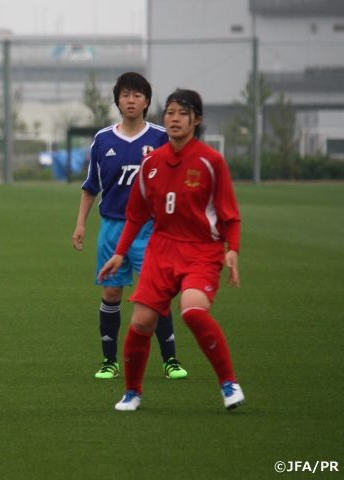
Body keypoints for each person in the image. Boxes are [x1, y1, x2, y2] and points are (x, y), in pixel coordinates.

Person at [98, 88, 245, 411]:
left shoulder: (211, 161)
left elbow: (230, 215)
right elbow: (136, 215)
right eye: (170, 113)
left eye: (182, 113)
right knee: (141, 322)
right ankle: (132, 393)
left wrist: (231, 249)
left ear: (197, 120)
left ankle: (228, 384)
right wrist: (120, 253)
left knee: (192, 310)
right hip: (161, 250)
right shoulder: (151, 162)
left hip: (202, 251)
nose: (175, 119)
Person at [73, 72, 187, 380]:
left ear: (147, 101)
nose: (131, 100)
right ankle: (109, 362)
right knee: (111, 294)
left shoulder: (161, 138)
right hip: (112, 227)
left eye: (137, 95)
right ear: (118, 101)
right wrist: (81, 224)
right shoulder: (103, 139)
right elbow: (91, 186)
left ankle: (170, 360)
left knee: (157, 294)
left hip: (150, 229)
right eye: (125, 95)